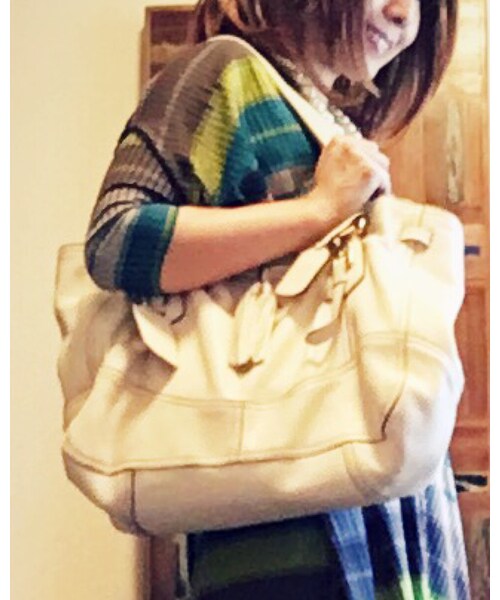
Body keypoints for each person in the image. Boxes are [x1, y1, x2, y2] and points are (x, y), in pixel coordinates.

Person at [85, 0, 471, 597]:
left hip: (369, 513)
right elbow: (116, 241)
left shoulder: (332, 122)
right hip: (288, 536)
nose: (403, 13)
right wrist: (318, 210)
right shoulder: (227, 72)